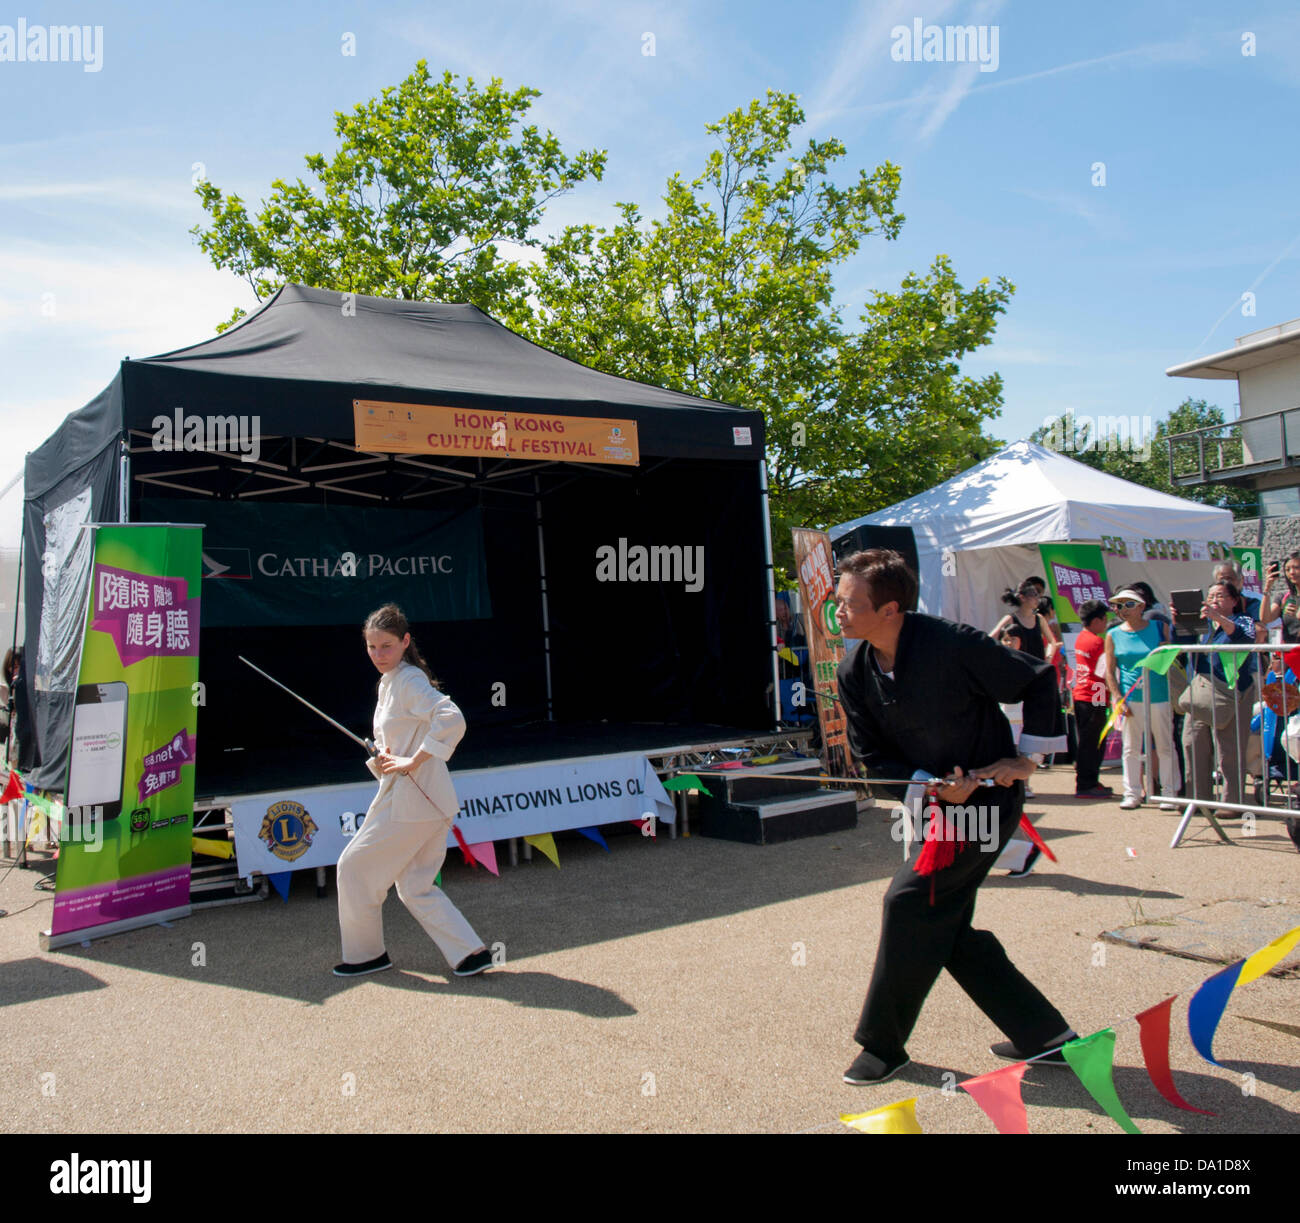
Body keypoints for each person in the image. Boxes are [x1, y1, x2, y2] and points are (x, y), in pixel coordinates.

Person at [835, 549, 1074, 1085]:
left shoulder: (952, 642)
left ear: (891, 608)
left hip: (988, 805)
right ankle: (1043, 1033)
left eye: (849, 603)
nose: (839, 613)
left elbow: (1038, 679)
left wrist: (1026, 760)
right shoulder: (854, 670)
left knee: (909, 901)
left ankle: (883, 1045)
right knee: (944, 924)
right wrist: (926, 782)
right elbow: (872, 758)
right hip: (932, 809)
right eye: (838, 602)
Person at [334, 604, 493, 978]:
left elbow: (451, 717)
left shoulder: (408, 681)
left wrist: (411, 762)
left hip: (414, 802)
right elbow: (403, 739)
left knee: (353, 867)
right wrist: (385, 755)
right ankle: (472, 954)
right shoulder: (389, 683)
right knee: (416, 886)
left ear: (405, 642)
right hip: (426, 801)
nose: (377, 655)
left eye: (386, 646)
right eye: (371, 647)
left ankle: (366, 956)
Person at [1182, 582, 1256, 817]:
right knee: (1192, 743)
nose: (1214, 599)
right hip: (1201, 691)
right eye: (1211, 596)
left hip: (1233, 692)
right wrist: (1179, 622)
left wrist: (1219, 618)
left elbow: (1244, 638)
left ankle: (1232, 803)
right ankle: (1198, 800)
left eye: (1221, 596)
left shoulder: (1243, 620)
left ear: (1234, 600)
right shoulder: (1202, 626)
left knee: (1229, 750)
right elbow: (1182, 647)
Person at [1105, 588, 1181, 810]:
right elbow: (1110, 671)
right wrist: (1118, 698)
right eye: (1118, 606)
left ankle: (1169, 792)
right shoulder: (1113, 634)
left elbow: (1172, 656)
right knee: (1131, 747)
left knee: (1165, 745)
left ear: (1141, 606)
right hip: (1130, 697)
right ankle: (1132, 792)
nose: (1122, 610)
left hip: (1160, 695)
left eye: (1129, 604)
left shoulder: (1159, 627)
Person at [1071, 600, 1112, 798]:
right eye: (1104, 619)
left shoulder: (1082, 637)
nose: (1105, 624)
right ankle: (1087, 783)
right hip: (1094, 694)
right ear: (1096, 620)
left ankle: (1089, 781)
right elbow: (1104, 672)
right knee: (1093, 742)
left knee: (1088, 741)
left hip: (1083, 694)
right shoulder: (1097, 642)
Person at [990, 580, 1059, 664]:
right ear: (1022, 598)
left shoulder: (1039, 618)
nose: (1037, 599)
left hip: (1039, 669)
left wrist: (1048, 658)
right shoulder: (1010, 618)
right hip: (1020, 670)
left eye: (1038, 595)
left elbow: (1051, 641)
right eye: (1034, 595)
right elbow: (990, 639)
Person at [1261, 552, 1300, 645]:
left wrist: (1297, 615)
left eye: (1297, 568)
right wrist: (1267, 589)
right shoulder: (1284, 597)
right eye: (1287, 569)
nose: (1291, 572)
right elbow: (1266, 618)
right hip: (1290, 653)